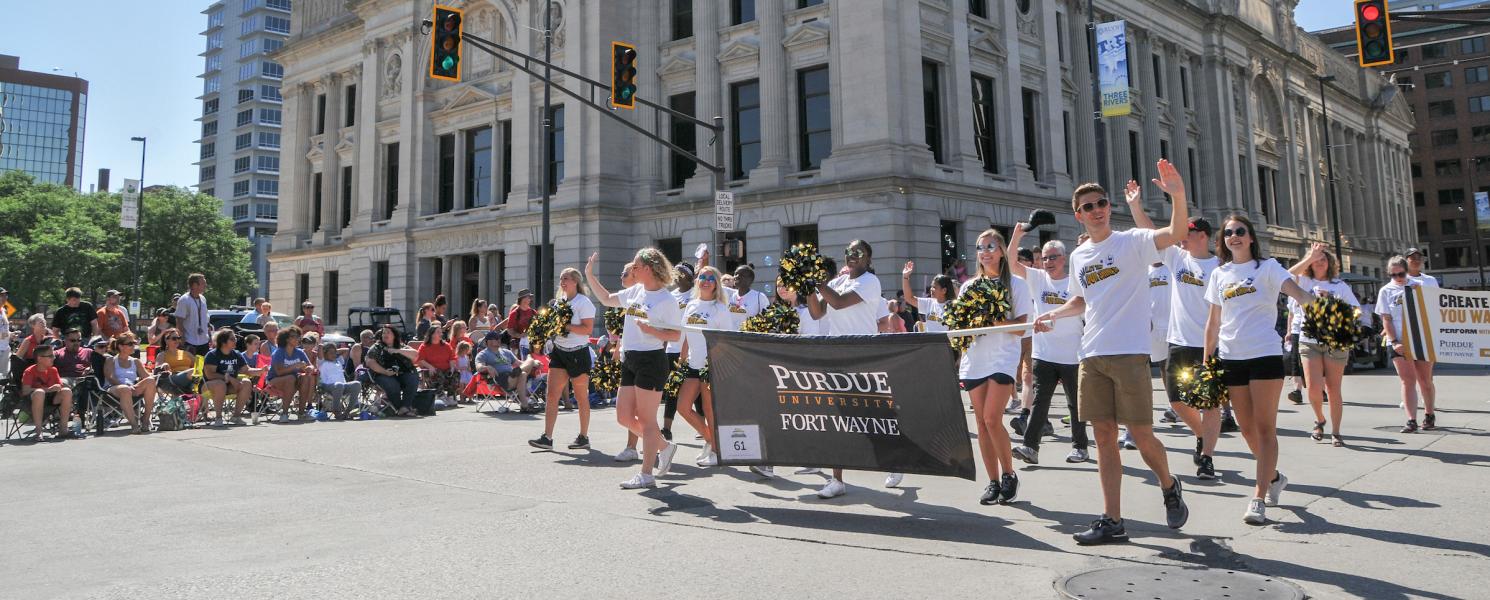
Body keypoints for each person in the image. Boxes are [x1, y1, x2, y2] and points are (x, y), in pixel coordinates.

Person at [1033, 159, 1191, 545]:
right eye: (1088, 206)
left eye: (1101, 202)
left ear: (1108, 207)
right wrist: (1052, 314)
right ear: (1078, 215)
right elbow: (1080, 300)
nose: (1096, 209)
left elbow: (1177, 232)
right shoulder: (1078, 257)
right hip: (1091, 354)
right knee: (1103, 436)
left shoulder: (1131, 241)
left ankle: (1169, 485)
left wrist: (1178, 195)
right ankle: (1112, 519)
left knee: (1140, 434)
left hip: (1130, 353)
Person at [1203, 214, 1318, 525]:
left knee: (1265, 428)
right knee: (1246, 427)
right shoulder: (1220, 274)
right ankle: (1275, 476)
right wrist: (1206, 360)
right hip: (1231, 358)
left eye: (1240, 231)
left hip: (1264, 355)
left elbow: (1300, 294)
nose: (1234, 236)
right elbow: (1213, 322)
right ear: (1223, 240)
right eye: (1228, 233)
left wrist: (1322, 308)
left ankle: (1258, 496)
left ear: (1251, 237)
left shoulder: (1268, 269)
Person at [1129, 201, 1226, 479]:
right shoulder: (1177, 258)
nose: (1182, 236)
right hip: (1179, 341)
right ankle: (1201, 435)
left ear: (1203, 236)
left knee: (1209, 403)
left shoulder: (1219, 269)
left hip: (1210, 345)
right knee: (1176, 401)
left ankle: (1206, 457)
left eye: (1188, 232)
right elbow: (1149, 231)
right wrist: (1135, 205)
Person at [585, 248, 684, 490]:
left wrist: (652, 331)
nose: (632, 270)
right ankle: (663, 446)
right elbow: (607, 299)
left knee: (648, 420)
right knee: (624, 416)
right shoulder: (637, 290)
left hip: (651, 359)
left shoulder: (666, 300)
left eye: (636, 267)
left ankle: (647, 474)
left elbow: (675, 334)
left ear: (648, 269)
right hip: (631, 358)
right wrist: (589, 275)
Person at [799, 240, 884, 498]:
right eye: (848, 252)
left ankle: (893, 463)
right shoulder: (836, 282)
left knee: (873, 418)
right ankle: (837, 480)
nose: (852, 255)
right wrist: (807, 288)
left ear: (868, 258)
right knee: (839, 418)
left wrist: (816, 282)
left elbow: (837, 303)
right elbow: (816, 313)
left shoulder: (870, 281)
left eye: (859, 252)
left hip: (863, 356)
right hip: (837, 355)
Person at [1006, 227, 1088, 465]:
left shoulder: (1076, 279)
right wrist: (1017, 236)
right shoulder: (1037, 277)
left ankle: (1080, 447)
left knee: (1075, 403)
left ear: (1064, 259)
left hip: (1072, 353)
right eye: (1045, 257)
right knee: (1040, 400)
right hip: (1044, 352)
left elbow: (1081, 306)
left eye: (1053, 257)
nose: (1049, 261)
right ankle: (1030, 447)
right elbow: (1011, 263)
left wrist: (1054, 315)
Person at [1287, 242, 1360, 447]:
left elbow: (1355, 311)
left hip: (1335, 341)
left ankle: (1336, 432)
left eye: (1323, 259)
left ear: (1330, 263)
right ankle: (1319, 419)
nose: (1319, 262)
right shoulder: (1303, 281)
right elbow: (1284, 276)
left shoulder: (1339, 286)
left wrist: (1333, 305)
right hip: (1308, 340)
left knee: (1333, 388)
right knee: (1313, 388)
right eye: (1316, 260)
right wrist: (1310, 256)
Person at [530, 267, 598, 451]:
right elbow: (553, 325)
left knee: (581, 397)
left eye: (566, 278)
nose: (562, 282)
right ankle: (547, 437)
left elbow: (587, 329)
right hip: (560, 351)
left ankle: (584, 437)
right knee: (552, 395)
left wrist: (566, 326)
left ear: (575, 281)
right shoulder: (559, 302)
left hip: (578, 353)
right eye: (561, 279)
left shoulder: (583, 302)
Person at [676, 265, 730, 466]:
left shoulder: (720, 308)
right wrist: (681, 360)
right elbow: (686, 334)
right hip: (692, 364)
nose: (706, 280)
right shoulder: (691, 305)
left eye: (710, 278)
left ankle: (716, 452)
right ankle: (710, 439)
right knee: (683, 407)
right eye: (702, 277)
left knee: (709, 410)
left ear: (716, 284)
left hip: (711, 366)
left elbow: (727, 340)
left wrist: (717, 363)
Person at [1377, 256, 1437, 433]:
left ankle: (1429, 413)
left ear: (1406, 271)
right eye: (1393, 274)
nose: (1397, 278)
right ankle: (1411, 419)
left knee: (1425, 380)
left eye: (1400, 273)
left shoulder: (1419, 286)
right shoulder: (1386, 291)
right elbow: (1386, 319)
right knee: (1407, 380)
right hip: (1398, 340)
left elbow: (1434, 309)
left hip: (1421, 338)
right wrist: (1394, 341)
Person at [661, 262, 697, 441]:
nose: (677, 275)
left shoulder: (696, 294)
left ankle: (703, 425)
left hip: (694, 349)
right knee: (672, 389)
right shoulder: (671, 296)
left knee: (696, 390)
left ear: (690, 276)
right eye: (675, 272)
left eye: (681, 272)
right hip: (673, 349)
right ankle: (666, 429)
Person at [203, 328, 261, 426]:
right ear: (223, 342)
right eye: (232, 339)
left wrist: (260, 371)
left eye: (235, 338)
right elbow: (210, 375)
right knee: (220, 384)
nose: (235, 341)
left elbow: (247, 370)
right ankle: (218, 418)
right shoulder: (212, 354)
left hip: (229, 386)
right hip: (209, 386)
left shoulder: (236, 354)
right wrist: (228, 377)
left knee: (246, 382)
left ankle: (236, 416)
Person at [106, 332, 158, 434]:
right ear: (121, 346)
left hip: (132, 387)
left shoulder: (136, 361)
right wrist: (125, 386)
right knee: (125, 389)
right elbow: (110, 377)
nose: (133, 346)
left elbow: (147, 376)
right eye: (130, 344)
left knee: (150, 382)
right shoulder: (111, 360)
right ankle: (134, 425)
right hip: (114, 388)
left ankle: (146, 419)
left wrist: (160, 372)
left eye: (134, 343)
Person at [21, 345, 76, 441]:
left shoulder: (53, 370)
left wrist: (58, 387)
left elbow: (59, 386)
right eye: (50, 356)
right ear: (39, 358)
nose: (53, 358)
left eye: (53, 355)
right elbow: (25, 391)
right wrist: (48, 389)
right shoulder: (29, 371)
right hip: (34, 401)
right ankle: (38, 432)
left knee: (66, 391)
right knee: (39, 392)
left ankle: (63, 429)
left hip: (51, 399)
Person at [367, 325, 420, 417]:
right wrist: (385, 372)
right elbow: (370, 362)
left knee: (413, 378)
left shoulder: (400, 346)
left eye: (388, 332)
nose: (385, 334)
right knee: (392, 384)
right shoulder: (377, 347)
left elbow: (416, 355)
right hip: (383, 374)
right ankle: (403, 408)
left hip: (402, 373)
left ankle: (404, 408)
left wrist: (398, 351)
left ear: (394, 335)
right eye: (383, 333)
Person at [268, 326, 318, 423]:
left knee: (306, 378)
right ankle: (284, 414)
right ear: (287, 338)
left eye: (298, 336)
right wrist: (296, 365)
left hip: (293, 380)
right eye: (294, 336)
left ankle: (301, 413)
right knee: (291, 378)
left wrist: (309, 369)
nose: (297, 339)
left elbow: (311, 366)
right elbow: (279, 372)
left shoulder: (299, 352)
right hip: (275, 381)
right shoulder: (279, 352)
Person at [317, 341, 362, 420]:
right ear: (325, 353)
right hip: (327, 386)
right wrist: (327, 350)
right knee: (339, 385)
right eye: (330, 353)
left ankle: (347, 412)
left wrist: (335, 352)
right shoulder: (322, 361)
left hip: (341, 386)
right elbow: (320, 346)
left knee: (357, 384)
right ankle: (337, 412)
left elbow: (347, 350)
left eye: (335, 352)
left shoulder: (339, 360)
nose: (333, 354)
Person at [416, 323, 461, 400]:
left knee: (456, 373)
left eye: (441, 332)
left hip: (446, 371)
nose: (441, 334)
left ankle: (451, 396)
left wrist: (452, 367)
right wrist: (430, 366)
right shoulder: (424, 346)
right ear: (432, 334)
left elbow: (452, 358)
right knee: (437, 373)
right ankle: (440, 396)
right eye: (438, 332)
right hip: (432, 372)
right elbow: (420, 360)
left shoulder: (446, 346)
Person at [152, 329, 198, 398]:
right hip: (172, 378)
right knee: (193, 372)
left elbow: (199, 365)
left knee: (202, 378)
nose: (177, 341)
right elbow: (157, 369)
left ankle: (203, 406)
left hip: (190, 377)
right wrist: (163, 365)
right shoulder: (162, 354)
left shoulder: (186, 353)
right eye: (174, 338)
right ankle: (191, 395)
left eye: (179, 338)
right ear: (166, 340)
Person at [175, 274, 211, 355]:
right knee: (191, 366)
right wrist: (182, 340)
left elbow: (205, 319)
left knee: (200, 366)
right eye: (203, 283)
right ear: (194, 285)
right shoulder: (184, 300)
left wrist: (209, 335)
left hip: (203, 342)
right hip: (189, 341)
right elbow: (179, 321)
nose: (205, 285)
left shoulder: (203, 298)